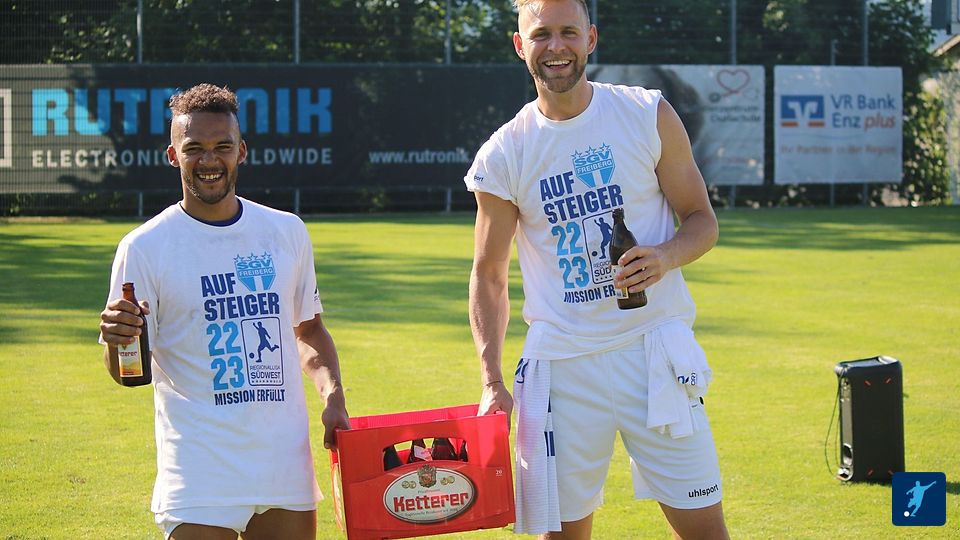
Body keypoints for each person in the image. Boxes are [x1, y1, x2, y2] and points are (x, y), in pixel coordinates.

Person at [464, 1, 729, 538]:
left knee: (706, 532)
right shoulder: (504, 153)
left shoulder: (646, 113)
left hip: (655, 352)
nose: (555, 46)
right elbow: (488, 275)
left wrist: (665, 257)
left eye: (569, 32)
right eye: (541, 34)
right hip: (561, 366)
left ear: (591, 38)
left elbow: (702, 221)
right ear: (520, 45)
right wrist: (491, 380)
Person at [98, 83, 350, 540]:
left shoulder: (286, 231)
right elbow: (127, 371)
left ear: (241, 151)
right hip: (198, 473)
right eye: (194, 148)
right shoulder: (144, 247)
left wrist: (333, 397)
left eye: (222, 146)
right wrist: (116, 342)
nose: (209, 160)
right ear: (173, 155)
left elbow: (309, 330)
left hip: (282, 468)